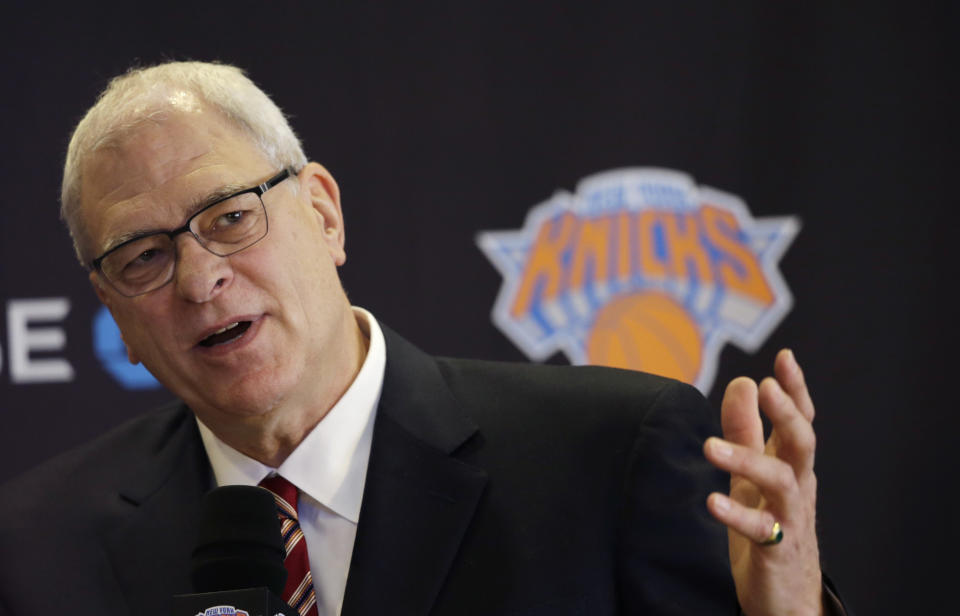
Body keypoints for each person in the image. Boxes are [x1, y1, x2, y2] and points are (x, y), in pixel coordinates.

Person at [0, 61, 845, 615]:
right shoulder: (36, 551)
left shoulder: (610, 458)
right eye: (144, 256)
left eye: (229, 216)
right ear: (115, 313)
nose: (199, 278)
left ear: (323, 212)